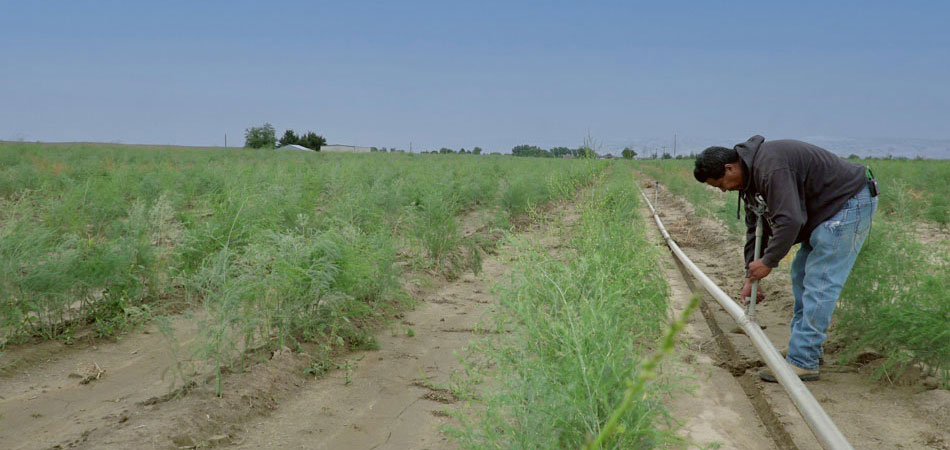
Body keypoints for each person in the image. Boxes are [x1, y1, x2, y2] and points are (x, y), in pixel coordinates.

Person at [693, 135, 878, 382]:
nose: (724, 190)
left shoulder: (771, 167)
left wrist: (768, 262)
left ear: (730, 168)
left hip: (848, 202)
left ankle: (804, 361)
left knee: (820, 281)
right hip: (827, 209)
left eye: (721, 184)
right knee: (801, 274)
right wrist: (750, 275)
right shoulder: (749, 180)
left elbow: (790, 220)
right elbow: (756, 227)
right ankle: (804, 349)